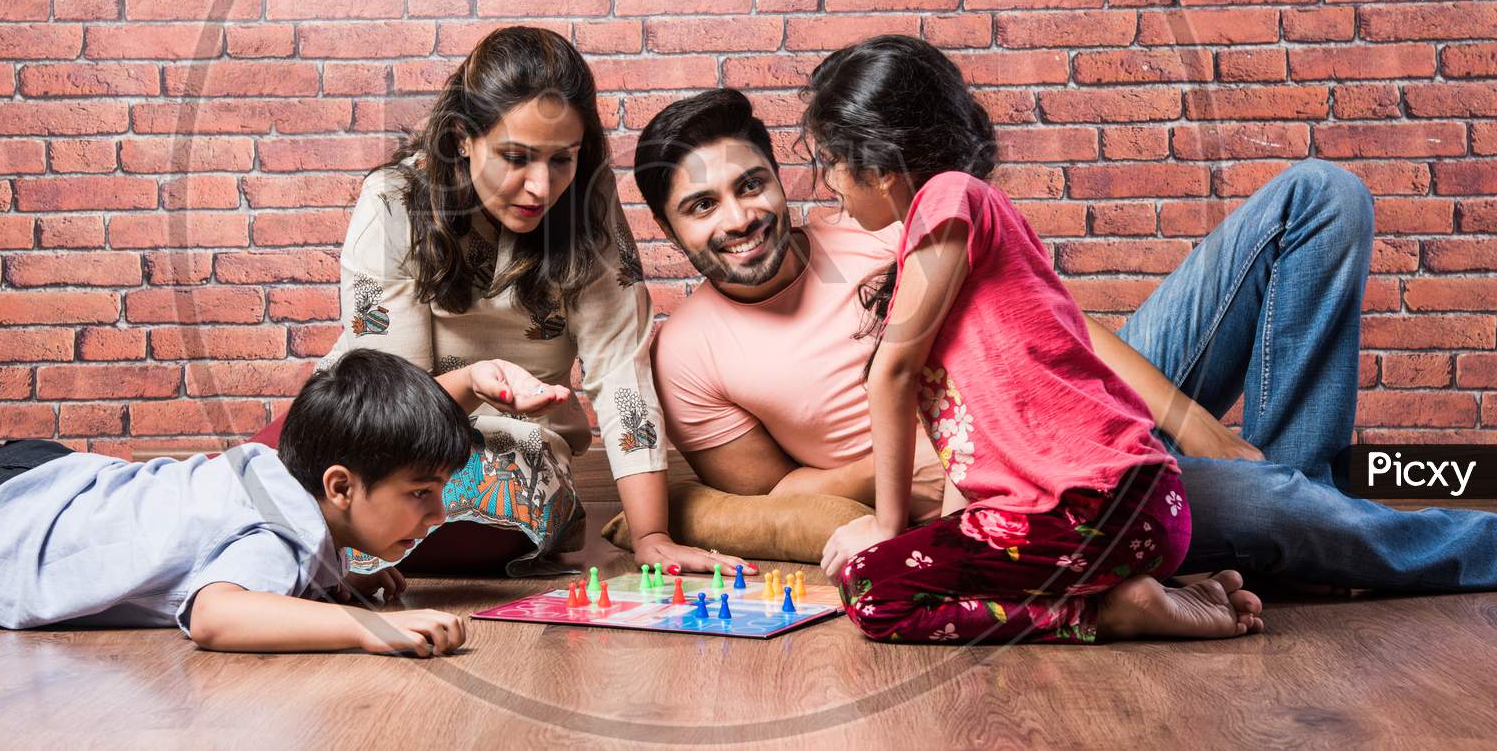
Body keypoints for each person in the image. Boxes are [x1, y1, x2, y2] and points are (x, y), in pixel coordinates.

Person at [638, 82, 1497, 599]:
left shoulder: (875, 223)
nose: (739, 218)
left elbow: (1052, 323)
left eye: (751, 185)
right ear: (671, 232)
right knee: (1277, 511)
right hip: (1024, 485)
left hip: (1075, 401)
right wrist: (930, 460)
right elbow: (775, 495)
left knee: (1320, 195)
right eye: (700, 205)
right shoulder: (690, 353)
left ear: (781, 181)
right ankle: (1316, 522)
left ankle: (1295, 507)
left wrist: (1200, 428)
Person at [802, 35, 1263, 642]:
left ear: (881, 162)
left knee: (872, 587)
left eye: (832, 160)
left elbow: (892, 373)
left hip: (1094, 509)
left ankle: (1108, 614)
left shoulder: (949, 195)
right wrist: (941, 538)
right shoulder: (966, 232)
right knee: (914, 571)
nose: (829, 181)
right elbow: (966, 451)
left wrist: (885, 530)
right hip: (1126, 517)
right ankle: (1139, 594)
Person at [250, 26, 750, 579]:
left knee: (478, 512)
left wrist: (652, 535)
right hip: (388, 438)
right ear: (463, 137)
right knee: (264, 482)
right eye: (516, 157)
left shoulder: (589, 205)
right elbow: (393, 405)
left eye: (564, 159)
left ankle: (332, 539)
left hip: (513, 450)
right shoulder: (395, 201)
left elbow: (619, 367)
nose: (540, 186)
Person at [0, 349, 475, 657]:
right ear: (340, 487)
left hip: (51, 477)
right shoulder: (276, 541)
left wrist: (333, 583)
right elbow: (215, 616)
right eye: (421, 492)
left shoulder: (274, 476)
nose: (439, 512)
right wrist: (362, 627)